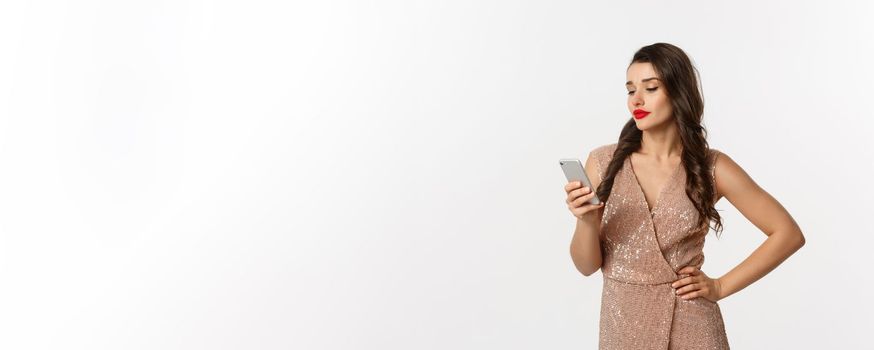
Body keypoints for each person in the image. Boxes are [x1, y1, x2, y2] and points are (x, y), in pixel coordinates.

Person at [564, 42, 805, 349]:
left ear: (678, 93)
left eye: (650, 88)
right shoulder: (603, 162)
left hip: (691, 323)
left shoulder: (712, 167)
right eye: (630, 90)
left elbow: (787, 233)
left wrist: (720, 286)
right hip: (621, 326)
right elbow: (586, 267)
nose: (636, 99)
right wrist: (586, 219)